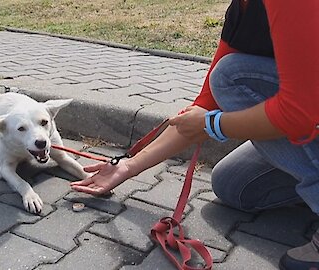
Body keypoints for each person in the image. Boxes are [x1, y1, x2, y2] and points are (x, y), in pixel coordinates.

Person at [70, 0, 319, 269]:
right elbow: (206, 105)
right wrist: (129, 166)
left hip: (307, 113)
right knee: (234, 185)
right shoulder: (245, 9)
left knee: (232, 76)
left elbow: (298, 113)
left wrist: (213, 125)